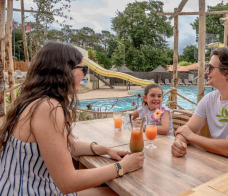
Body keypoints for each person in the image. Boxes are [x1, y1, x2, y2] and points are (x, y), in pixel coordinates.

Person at [0, 42, 144, 196]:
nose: (84, 75)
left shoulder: (32, 101)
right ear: (64, 71)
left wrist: (105, 150)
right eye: (83, 69)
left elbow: (70, 145)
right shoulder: (48, 107)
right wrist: (122, 167)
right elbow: (68, 182)